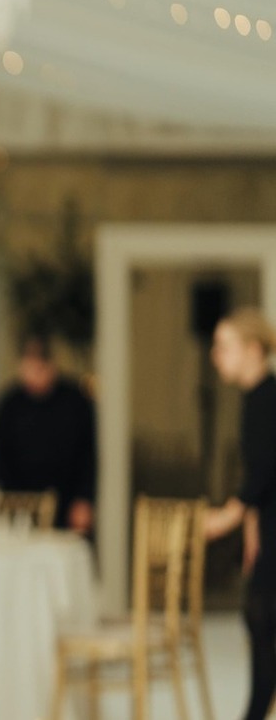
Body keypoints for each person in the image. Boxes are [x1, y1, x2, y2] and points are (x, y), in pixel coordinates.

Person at [202, 308, 276, 720]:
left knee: (262, 620)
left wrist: (229, 516)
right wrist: (250, 528)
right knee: (260, 622)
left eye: (224, 346)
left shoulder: (267, 398)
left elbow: (265, 470)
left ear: (253, 350)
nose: (216, 355)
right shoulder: (255, 399)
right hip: (268, 524)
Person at [0, 335, 97, 533]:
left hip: (66, 501)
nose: (34, 375)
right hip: (20, 504)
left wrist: (85, 498)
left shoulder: (74, 402)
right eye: (29, 367)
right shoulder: (9, 405)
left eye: (40, 368)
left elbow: (88, 454)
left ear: (51, 366)